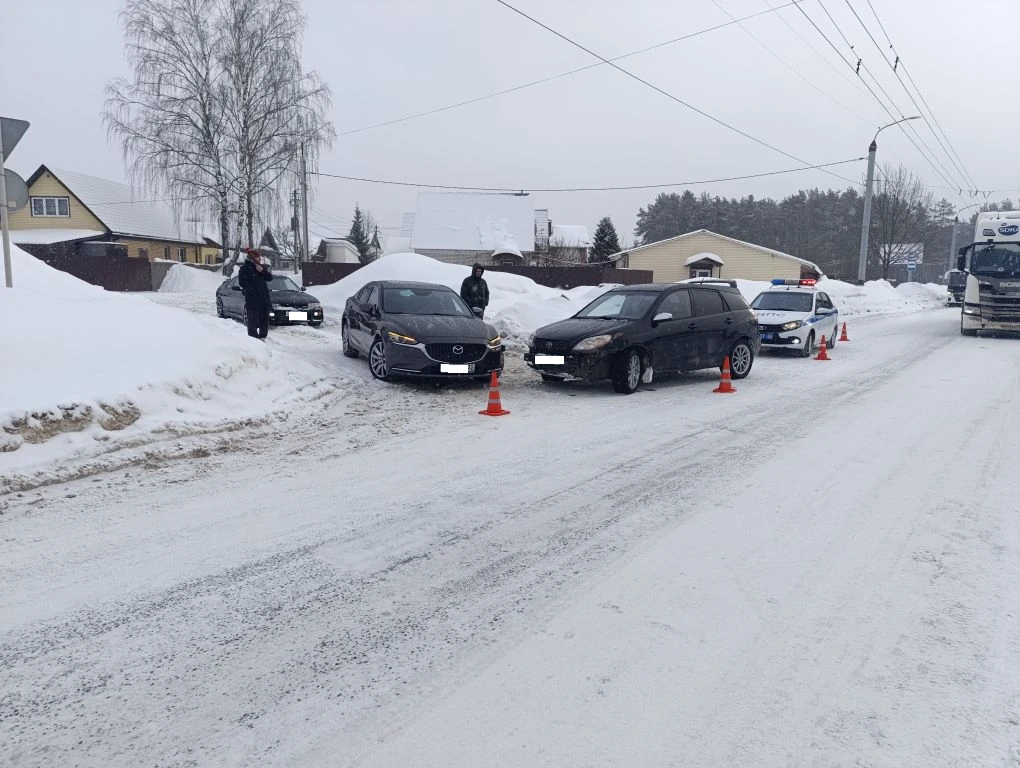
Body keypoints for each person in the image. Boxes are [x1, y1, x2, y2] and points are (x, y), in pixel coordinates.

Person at [238, 248, 273, 339]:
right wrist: (253, 291)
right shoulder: (244, 269)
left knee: (264, 322)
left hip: (264, 300)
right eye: (258, 257)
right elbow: (242, 283)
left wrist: (262, 271)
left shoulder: (260, 267)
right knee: (252, 322)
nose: (260, 259)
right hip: (252, 301)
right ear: (252, 258)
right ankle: (253, 342)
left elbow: (270, 278)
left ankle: (263, 338)